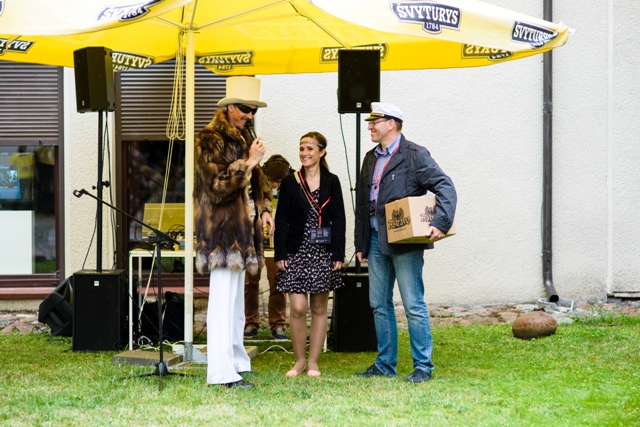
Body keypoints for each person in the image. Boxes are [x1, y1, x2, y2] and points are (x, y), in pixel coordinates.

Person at [353, 102, 457, 383]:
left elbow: (445, 186)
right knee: (379, 304)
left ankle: (423, 366)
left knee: (413, 304)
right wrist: (360, 242)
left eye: (375, 122)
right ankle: (385, 364)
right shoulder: (370, 158)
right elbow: (362, 203)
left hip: (406, 243)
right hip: (375, 241)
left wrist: (440, 223)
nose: (369, 126)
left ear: (392, 124)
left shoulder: (414, 154)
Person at [194, 76, 274, 389]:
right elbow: (217, 186)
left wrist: (264, 209)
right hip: (221, 234)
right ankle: (220, 372)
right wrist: (249, 161)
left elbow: (258, 183)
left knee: (236, 306)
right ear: (229, 108)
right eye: (245, 109)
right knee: (222, 305)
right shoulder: (209, 139)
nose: (250, 115)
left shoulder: (244, 137)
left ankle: (238, 361)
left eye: (254, 110)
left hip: (243, 233)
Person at [274, 132, 346, 378]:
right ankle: (299, 361)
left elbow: (339, 219)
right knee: (297, 307)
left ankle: (313, 362)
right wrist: (280, 252)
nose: (304, 153)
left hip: (322, 251)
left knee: (318, 307)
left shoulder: (332, 181)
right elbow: (281, 218)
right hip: (295, 251)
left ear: (322, 152)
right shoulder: (290, 182)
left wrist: (338, 253)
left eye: (310, 149)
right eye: (302, 148)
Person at [244, 154, 294, 340]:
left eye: (277, 182)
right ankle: (250, 323)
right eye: (271, 181)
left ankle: (278, 325)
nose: (274, 185)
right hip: (254, 236)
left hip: (280, 239)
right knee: (250, 282)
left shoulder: (293, 182)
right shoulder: (256, 180)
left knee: (278, 281)